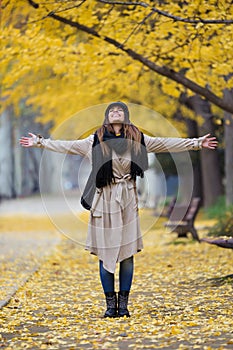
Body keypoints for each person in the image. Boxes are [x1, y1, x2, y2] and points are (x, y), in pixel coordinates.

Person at [19, 101, 218, 318]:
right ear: (106, 117)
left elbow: (166, 143)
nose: (116, 112)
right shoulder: (94, 140)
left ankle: (123, 305)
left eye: (120, 110)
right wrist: (39, 142)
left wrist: (197, 142)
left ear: (126, 116)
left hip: (128, 201)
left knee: (127, 254)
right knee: (105, 254)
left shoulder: (138, 139)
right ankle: (109, 305)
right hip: (103, 200)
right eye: (112, 110)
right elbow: (66, 146)